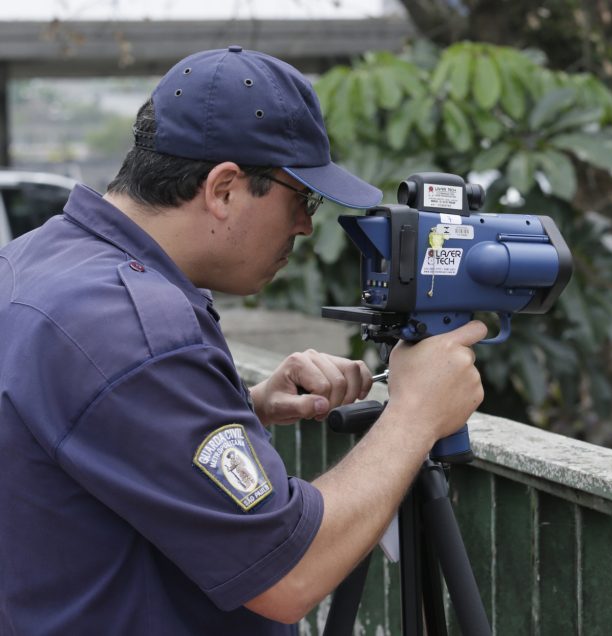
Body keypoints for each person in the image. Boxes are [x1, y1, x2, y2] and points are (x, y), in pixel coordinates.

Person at [0, 46, 485, 634]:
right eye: (299, 198)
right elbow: (287, 575)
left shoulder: (34, 259)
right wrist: (415, 414)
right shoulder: (136, 331)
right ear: (224, 188)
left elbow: (78, 427)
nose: (306, 225)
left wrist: (239, 405)